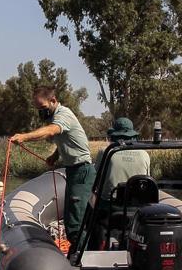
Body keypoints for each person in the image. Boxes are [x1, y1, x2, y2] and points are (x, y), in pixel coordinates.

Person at [9, 86, 95, 249]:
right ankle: (79, 254)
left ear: (53, 101)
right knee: (72, 220)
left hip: (81, 171)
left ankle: (84, 260)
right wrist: (55, 156)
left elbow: (50, 131)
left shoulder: (63, 115)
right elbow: (66, 140)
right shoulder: (56, 116)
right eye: (38, 109)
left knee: (75, 224)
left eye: (43, 108)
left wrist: (24, 137)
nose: (41, 112)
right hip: (73, 170)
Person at [95, 117, 150, 203]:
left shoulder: (105, 151)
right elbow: (147, 181)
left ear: (114, 135)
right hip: (136, 204)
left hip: (109, 204)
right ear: (132, 135)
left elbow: (95, 178)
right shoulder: (144, 154)